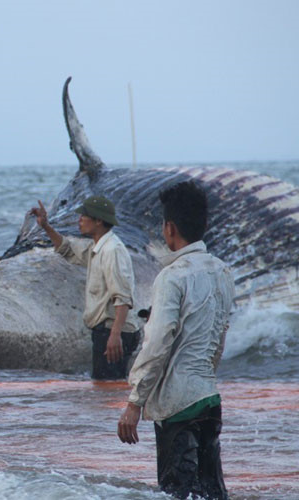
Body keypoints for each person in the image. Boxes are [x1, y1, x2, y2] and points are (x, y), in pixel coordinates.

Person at [118, 182, 234, 500]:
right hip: (210, 399)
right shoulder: (222, 272)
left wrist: (134, 402)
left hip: (176, 405)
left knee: (177, 494)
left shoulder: (172, 276)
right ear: (203, 225)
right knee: (213, 493)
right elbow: (219, 337)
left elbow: (157, 344)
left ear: (169, 228)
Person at [31, 195, 140, 379]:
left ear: (98, 221)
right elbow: (67, 249)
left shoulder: (112, 250)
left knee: (107, 393)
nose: (79, 220)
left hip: (113, 332)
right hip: (106, 332)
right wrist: (46, 226)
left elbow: (122, 297)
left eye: (84, 216)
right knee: (103, 390)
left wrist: (115, 335)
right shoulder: (97, 247)